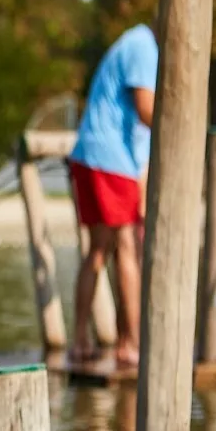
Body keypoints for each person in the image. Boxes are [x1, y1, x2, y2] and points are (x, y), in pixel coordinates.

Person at [68, 23, 158, 366]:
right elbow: (147, 110)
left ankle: (79, 340)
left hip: (89, 154)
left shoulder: (131, 42)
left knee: (97, 251)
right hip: (111, 158)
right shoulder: (145, 46)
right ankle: (130, 344)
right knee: (127, 247)